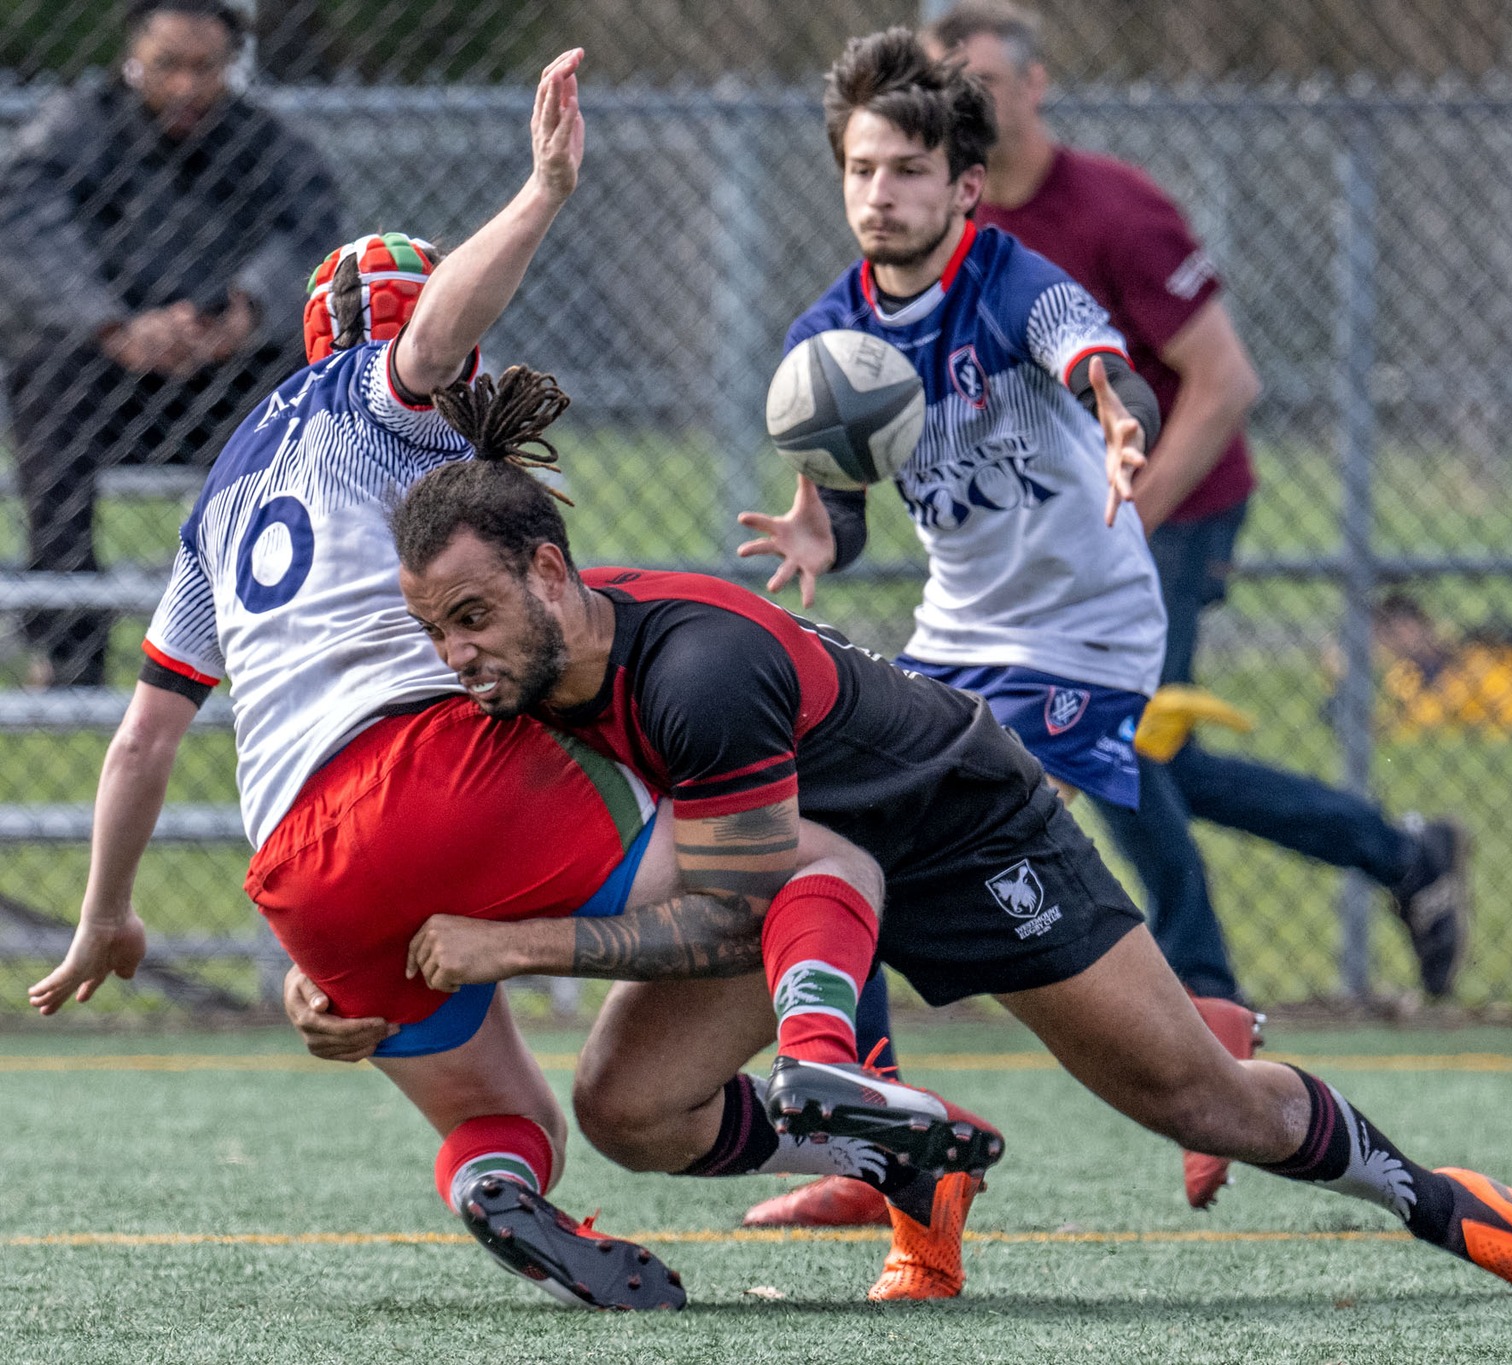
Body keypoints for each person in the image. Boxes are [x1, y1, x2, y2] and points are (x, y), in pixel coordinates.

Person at [381, 366, 1512, 1306]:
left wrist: (509, 948)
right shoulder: (524, 676)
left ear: (551, 573)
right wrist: (354, 972)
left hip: (969, 835)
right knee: (627, 1110)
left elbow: (726, 909)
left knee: (1200, 1101)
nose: (457, 655)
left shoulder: (692, 672)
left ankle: (1436, 1202)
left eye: (475, 615)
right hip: (820, 874)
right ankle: (906, 1158)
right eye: (436, 629)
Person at [26, 51, 880, 1312]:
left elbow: (143, 742)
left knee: (508, 1118)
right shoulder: (387, 400)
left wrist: (108, 915)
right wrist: (539, 191)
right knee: (804, 868)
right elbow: (424, 343)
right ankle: (846, 1093)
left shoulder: (222, 497)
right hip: (436, 773)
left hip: (297, 869)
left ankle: (496, 1189)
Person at [730, 28, 1207, 1226]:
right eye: (860, 170)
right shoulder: (827, 342)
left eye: (905, 171)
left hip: (1083, 636)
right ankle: (872, 1134)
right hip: (958, 633)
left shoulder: (1010, 281)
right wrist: (815, 537)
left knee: (934, 850)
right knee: (835, 834)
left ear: (962, 186)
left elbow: (1097, 357)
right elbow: (844, 521)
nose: (879, 194)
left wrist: (1116, 411)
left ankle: (1192, 1040)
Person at [928, 4, 1472, 1006]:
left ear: (1035, 86)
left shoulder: (1114, 209)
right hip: (1066, 534)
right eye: (943, 90)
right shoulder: (956, 225)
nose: (960, 107)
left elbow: (1223, 382)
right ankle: (1403, 854)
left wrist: (1127, 521)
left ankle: (1205, 993)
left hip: (1175, 508)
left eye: (984, 88)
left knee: (1119, 745)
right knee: (1160, 756)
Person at [0, 0, 342, 687]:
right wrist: (110, 324)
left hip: (221, 380)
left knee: (294, 376)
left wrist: (246, 309)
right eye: (167, 66)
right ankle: (70, 649)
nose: (186, 86)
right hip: (100, 384)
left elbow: (312, 226)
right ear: (132, 59)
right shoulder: (75, 129)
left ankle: (257, 636)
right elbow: (25, 225)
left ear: (230, 67)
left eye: (205, 68)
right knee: (46, 368)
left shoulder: (262, 142)